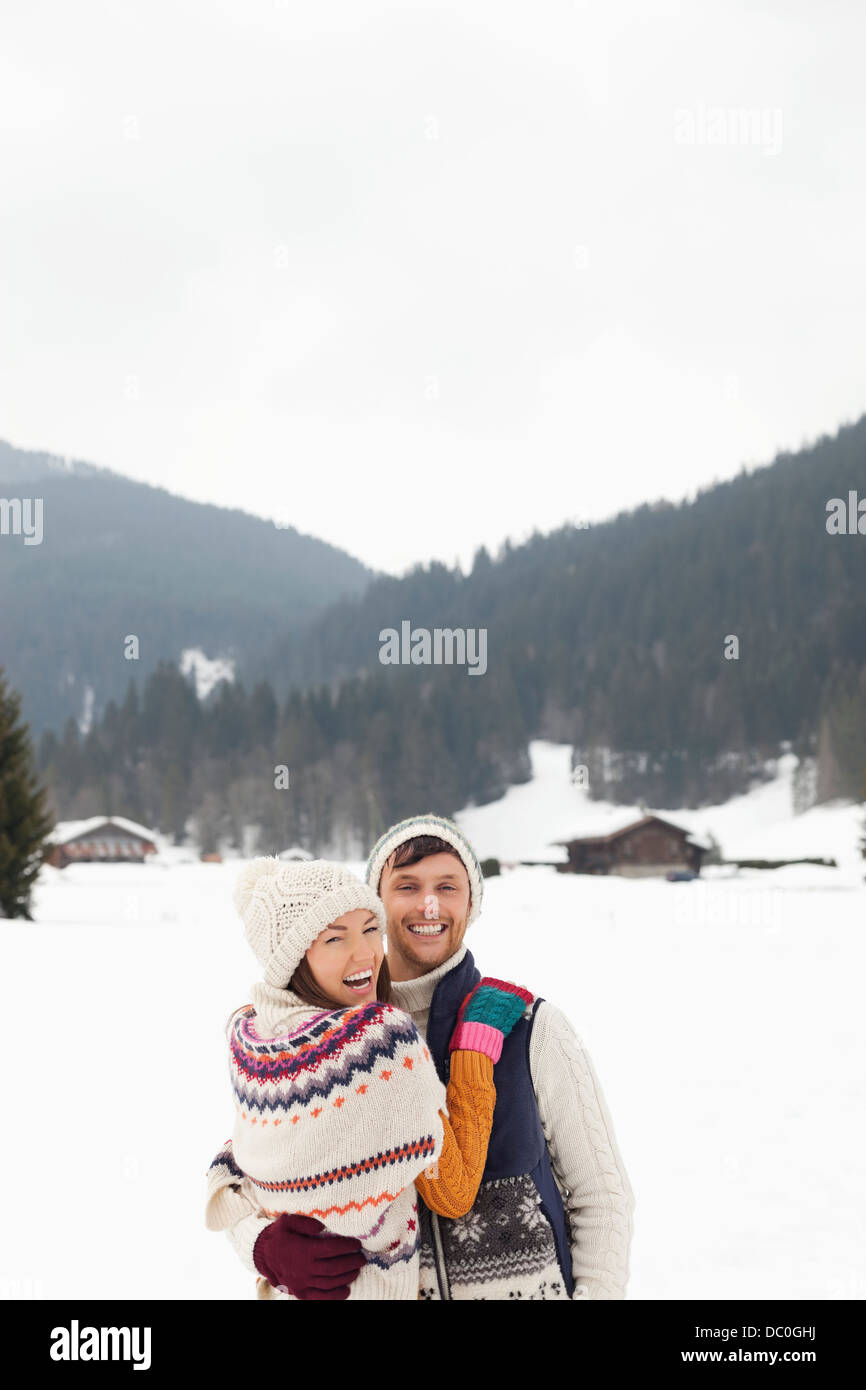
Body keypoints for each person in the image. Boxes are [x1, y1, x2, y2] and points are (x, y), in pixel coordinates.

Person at [216, 815, 636, 1300]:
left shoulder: (529, 1028)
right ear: (377, 900)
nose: (428, 904)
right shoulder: (318, 1045)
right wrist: (263, 1247)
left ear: (472, 903)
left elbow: (601, 1197)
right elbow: (245, 1177)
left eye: (448, 886)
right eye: (407, 886)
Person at [204, 856, 530, 1299]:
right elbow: (452, 1190)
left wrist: (261, 1248)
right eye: (335, 938)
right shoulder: (379, 1041)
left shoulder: (251, 1039)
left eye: (369, 928)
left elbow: (232, 1171)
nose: (366, 954)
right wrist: (474, 1048)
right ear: (294, 959)